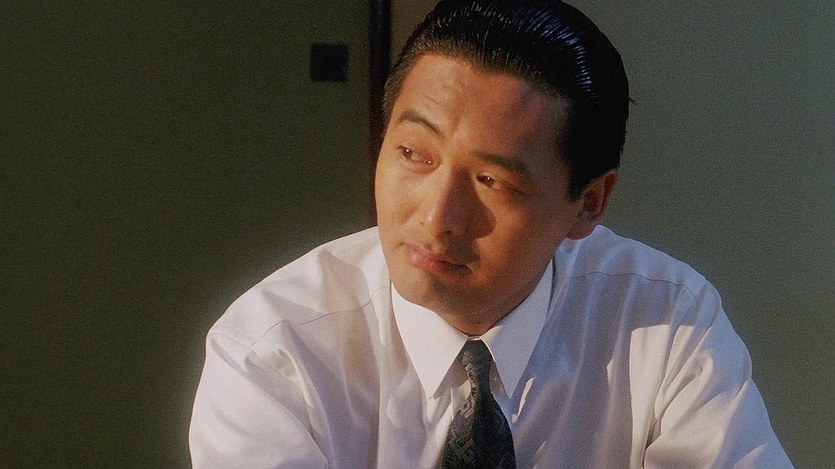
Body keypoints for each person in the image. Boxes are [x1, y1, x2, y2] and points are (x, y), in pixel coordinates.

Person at [189, 1, 792, 467]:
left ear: (589, 204)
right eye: (413, 154)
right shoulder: (274, 351)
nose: (437, 216)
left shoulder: (667, 323)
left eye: (492, 181)